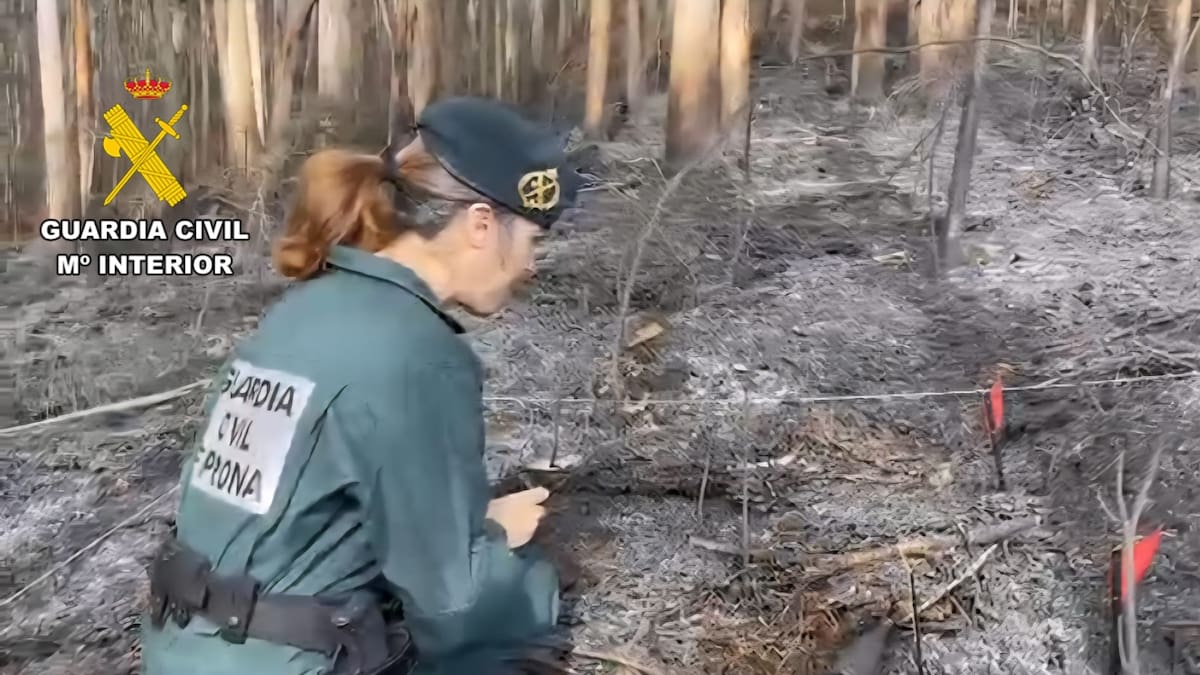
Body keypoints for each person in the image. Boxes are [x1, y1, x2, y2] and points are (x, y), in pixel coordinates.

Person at [139, 96, 584, 675]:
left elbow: (306, 516)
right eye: (532, 239)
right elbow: (457, 606)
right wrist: (526, 577)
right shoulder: (415, 353)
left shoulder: (307, 310)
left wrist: (478, 526)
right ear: (480, 224)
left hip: (189, 647)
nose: (529, 265)